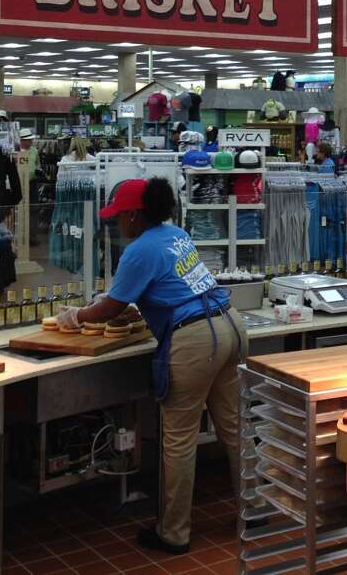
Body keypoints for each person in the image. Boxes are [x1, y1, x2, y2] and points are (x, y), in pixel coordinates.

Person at [58, 178, 246, 555]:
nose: (117, 224)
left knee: (178, 440)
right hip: (230, 325)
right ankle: (253, 511)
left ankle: (173, 533)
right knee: (235, 429)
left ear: (132, 215)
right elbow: (157, 289)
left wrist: (77, 315)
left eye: (119, 217)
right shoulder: (175, 234)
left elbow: (112, 306)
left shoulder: (140, 249)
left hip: (195, 339)